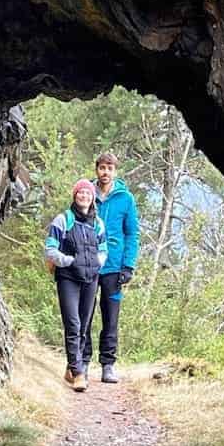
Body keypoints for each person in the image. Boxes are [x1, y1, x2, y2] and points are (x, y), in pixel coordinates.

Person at [44, 179, 107, 392]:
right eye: (80, 193)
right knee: (73, 324)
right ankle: (79, 373)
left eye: (88, 193)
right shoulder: (63, 220)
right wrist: (70, 262)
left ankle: (72, 367)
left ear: (92, 198)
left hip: (90, 278)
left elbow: (104, 249)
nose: (84, 196)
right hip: (68, 278)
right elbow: (50, 249)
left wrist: (96, 263)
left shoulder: (98, 223)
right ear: (75, 195)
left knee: (84, 326)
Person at [88, 151, 139, 383]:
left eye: (109, 168)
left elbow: (132, 233)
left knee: (110, 318)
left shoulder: (125, 198)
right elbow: (72, 223)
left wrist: (128, 266)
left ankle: (108, 365)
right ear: (96, 169)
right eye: (102, 167)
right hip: (87, 264)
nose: (105, 172)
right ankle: (82, 362)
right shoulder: (85, 192)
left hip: (113, 266)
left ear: (115, 171)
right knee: (83, 315)